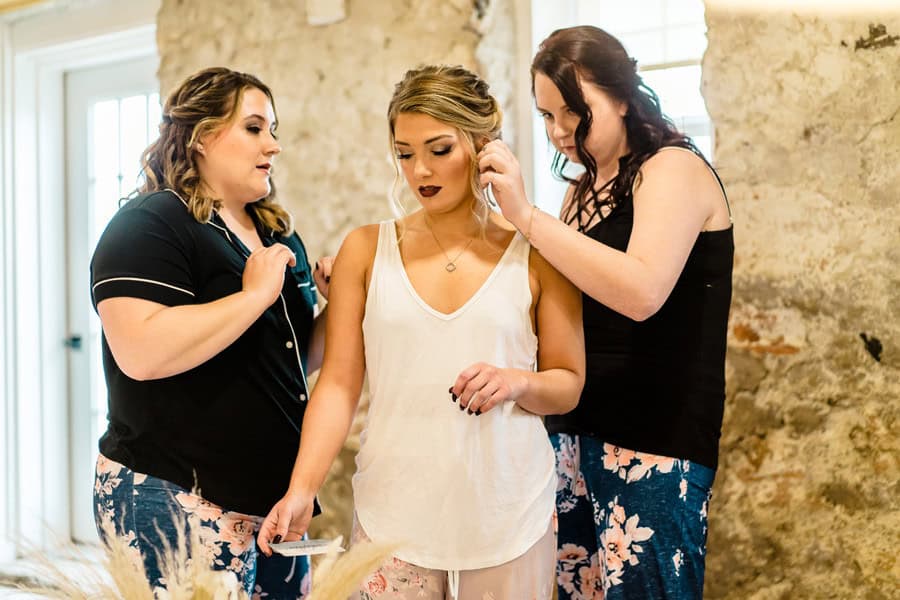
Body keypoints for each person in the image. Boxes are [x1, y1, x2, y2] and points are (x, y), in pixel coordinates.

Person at [256, 64, 585, 600]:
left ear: (483, 146)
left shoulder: (541, 251)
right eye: (405, 153)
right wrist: (301, 489)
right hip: (394, 518)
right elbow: (338, 385)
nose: (420, 171)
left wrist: (516, 383)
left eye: (439, 149)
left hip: (509, 514)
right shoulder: (365, 249)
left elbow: (568, 381)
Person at [477, 25, 734, 600]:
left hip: (655, 438)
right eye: (546, 116)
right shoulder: (583, 191)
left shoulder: (673, 169)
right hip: (575, 434)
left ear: (621, 95)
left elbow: (642, 293)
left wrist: (526, 216)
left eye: (573, 110)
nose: (559, 131)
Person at [90, 66, 328, 598]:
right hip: (173, 492)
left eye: (274, 129)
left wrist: (343, 303)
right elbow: (141, 352)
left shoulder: (275, 231)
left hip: (269, 502)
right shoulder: (151, 222)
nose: (274, 144)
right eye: (254, 127)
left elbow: (293, 361)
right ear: (201, 137)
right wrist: (251, 298)